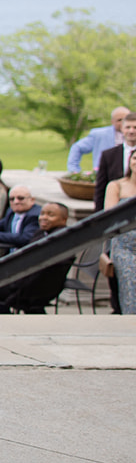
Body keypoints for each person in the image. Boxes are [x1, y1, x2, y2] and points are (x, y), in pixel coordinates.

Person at [99, 147, 136, 315]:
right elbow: (110, 216)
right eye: (135, 158)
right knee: (131, 289)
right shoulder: (116, 186)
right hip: (125, 246)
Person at [0, 186, 43, 251]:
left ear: (32, 200)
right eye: (12, 199)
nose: (16, 202)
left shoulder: (35, 215)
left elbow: (25, 238)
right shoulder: (12, 211)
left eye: (20, 198)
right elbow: (4, 223)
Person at [94, 115, 136, 213]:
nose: (131, 131)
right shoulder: (108, 155)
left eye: (135, 127)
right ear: (121, 128)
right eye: (128, 127)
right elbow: (100, 187)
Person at [69, 106, 130, 173]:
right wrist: (74, 170)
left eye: (126, 119)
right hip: (105, 177)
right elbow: (77, 147)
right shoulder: (99, 134)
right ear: (112, 121)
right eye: (119, 120)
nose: (123, 123)